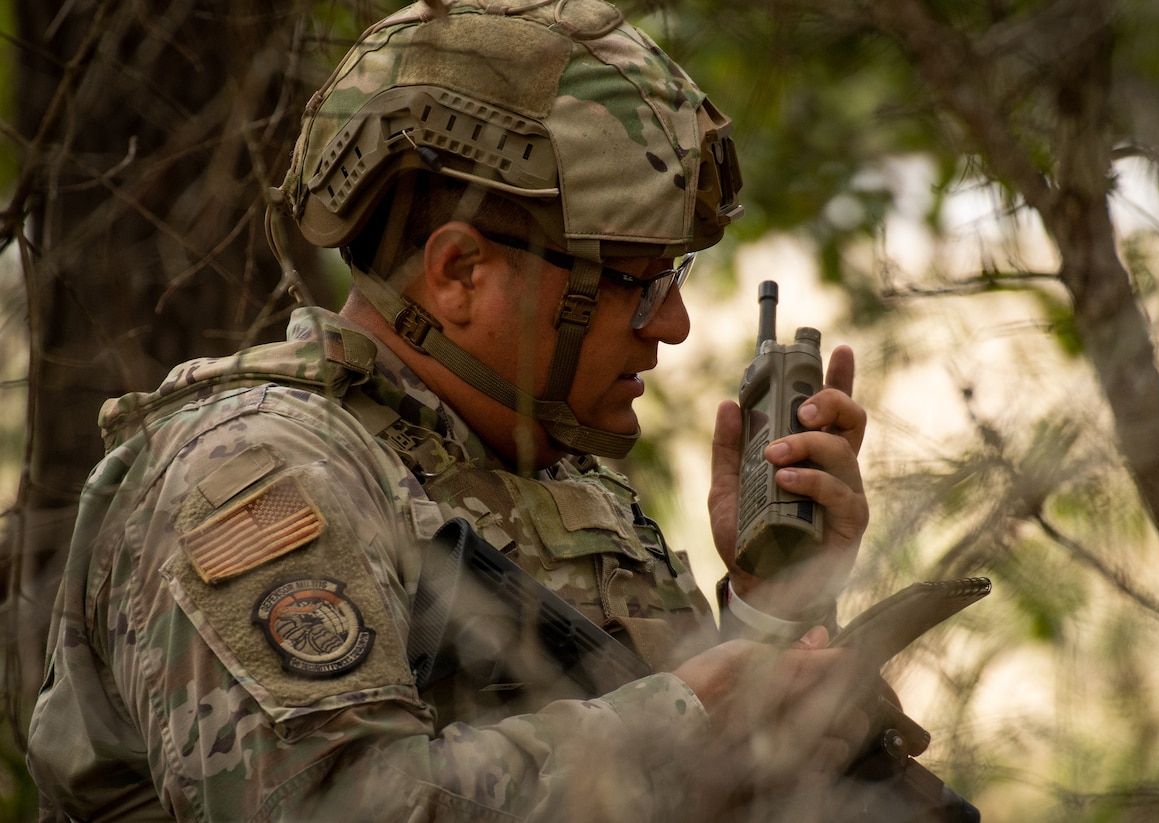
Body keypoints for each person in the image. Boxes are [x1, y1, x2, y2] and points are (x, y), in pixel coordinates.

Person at [26, 1, 874, 820]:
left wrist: (774, 608)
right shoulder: (258, 473)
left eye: (675, 280)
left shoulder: (548, 474)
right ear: (460, 271)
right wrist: (683, 724)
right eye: (638, 282)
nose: (675, 324)